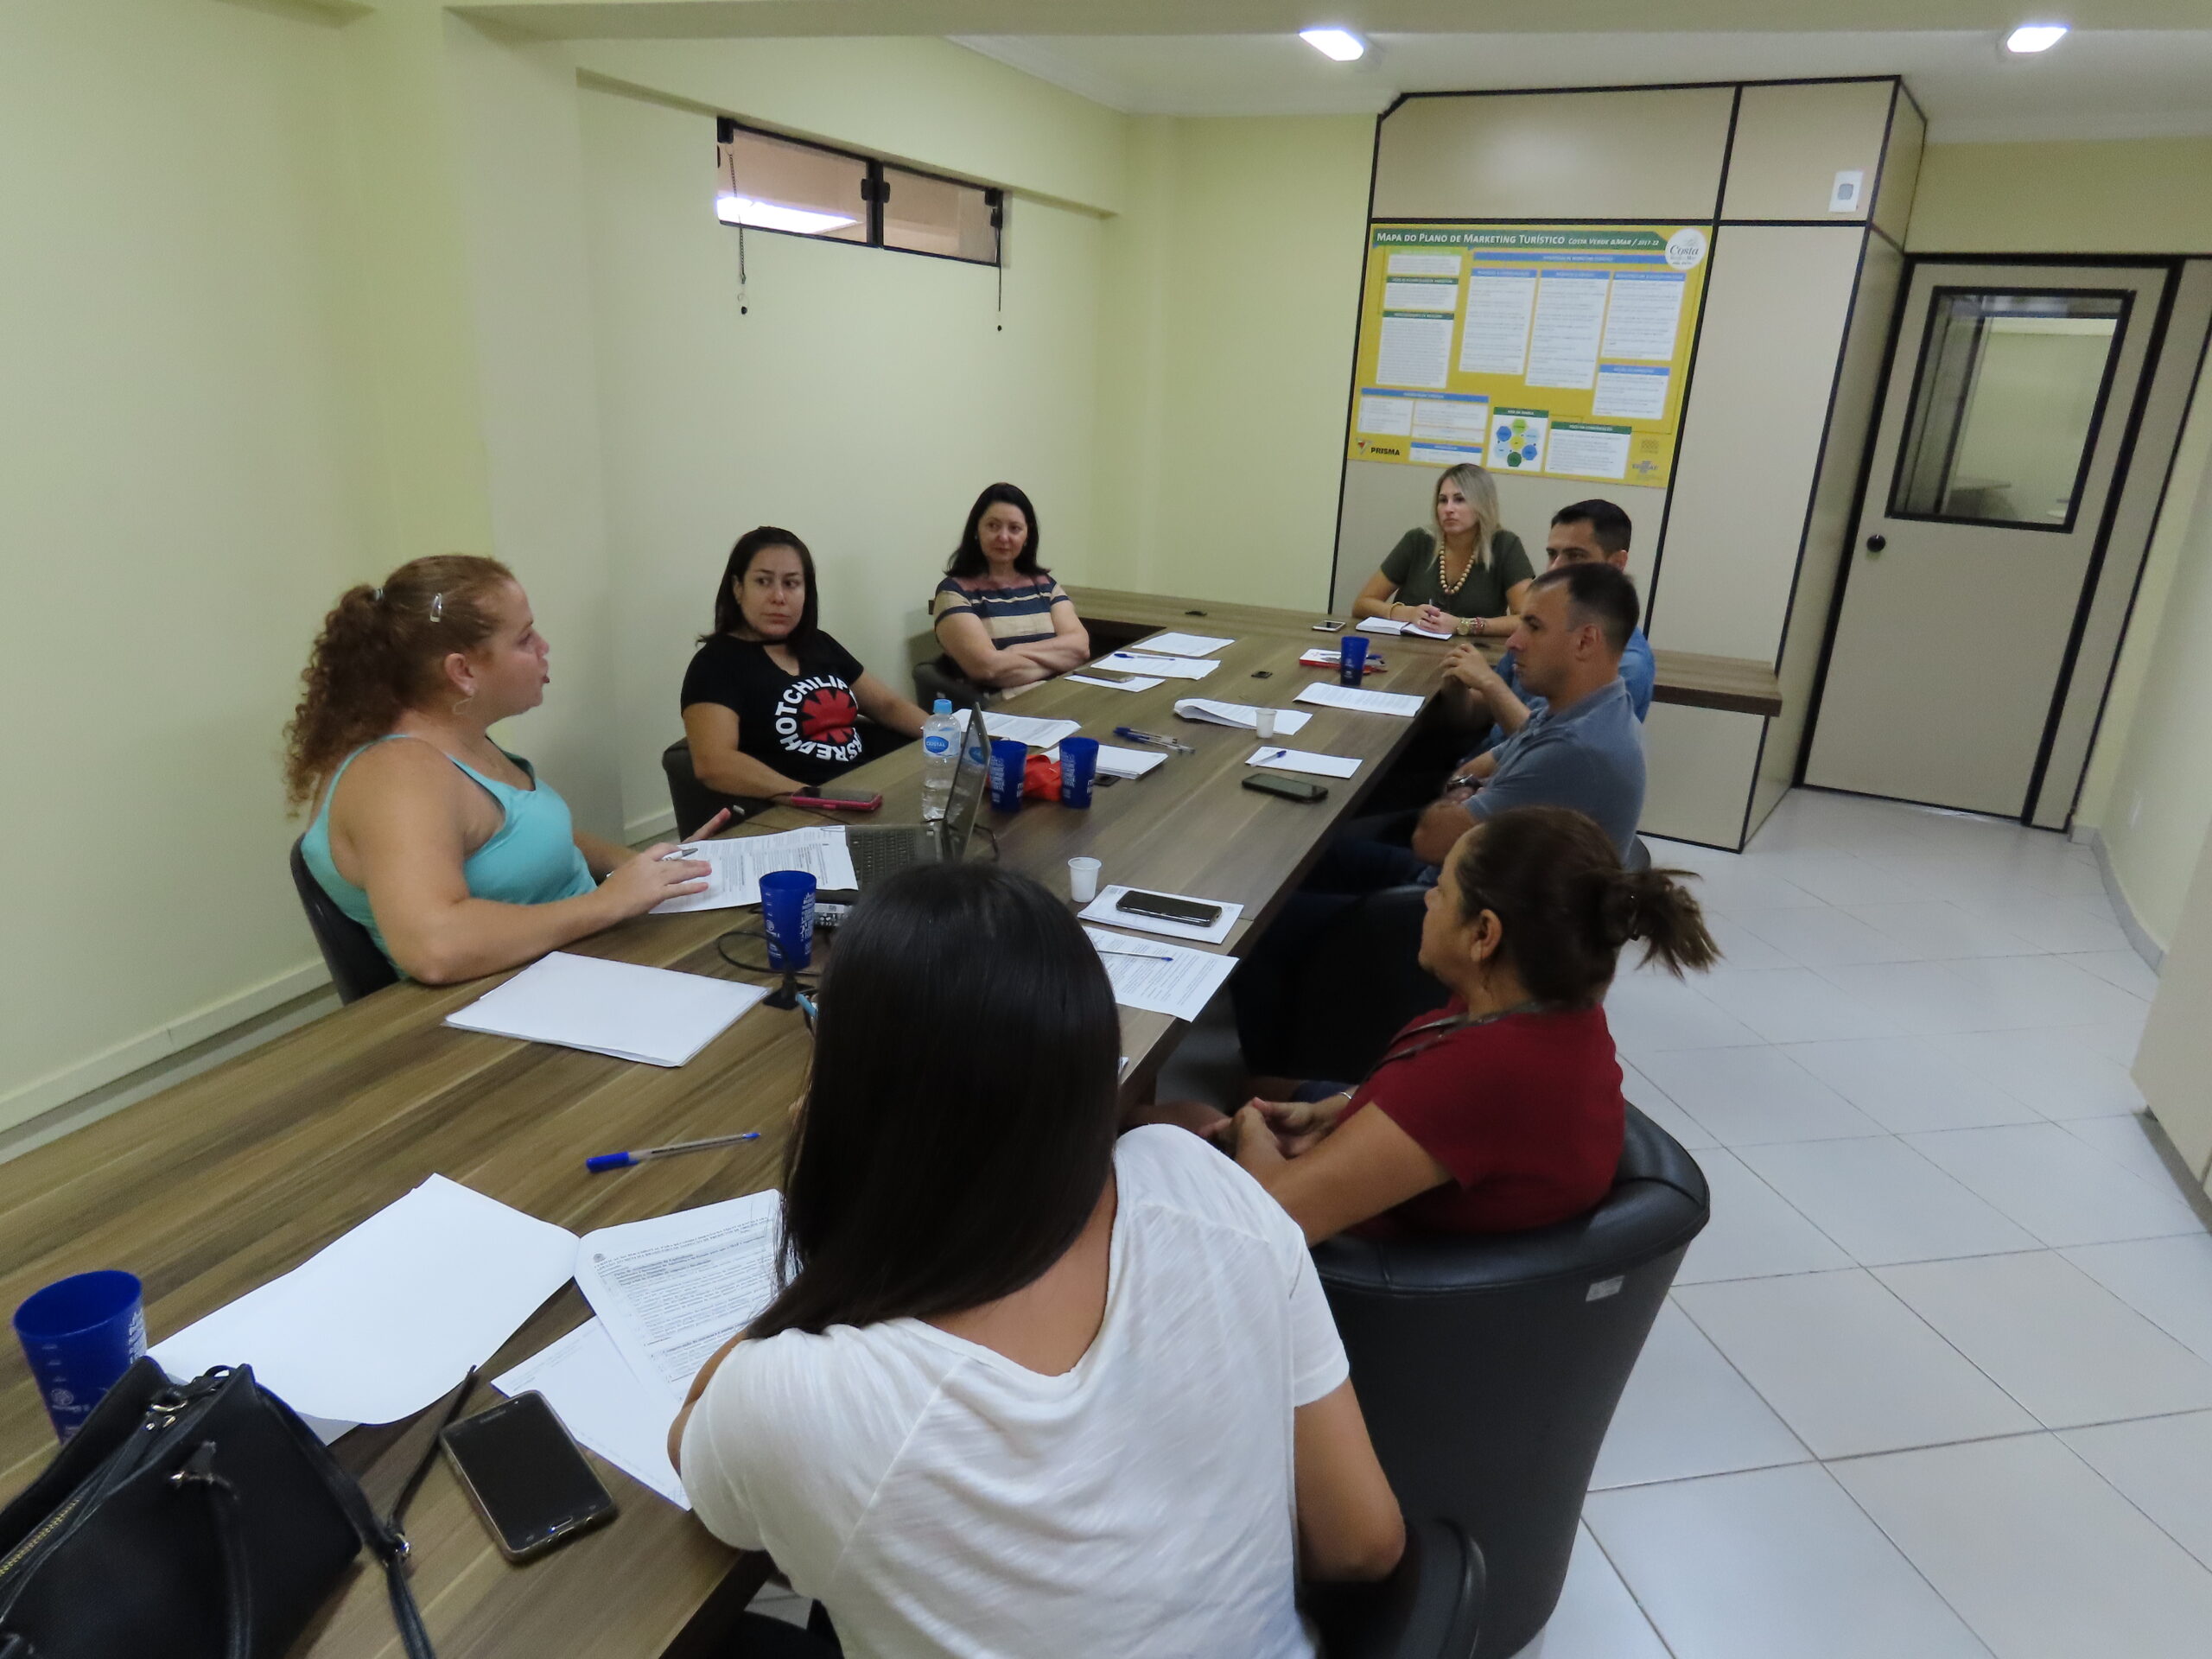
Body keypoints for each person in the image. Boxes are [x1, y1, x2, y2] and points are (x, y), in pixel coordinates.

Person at [670, 863, 1404, 1658]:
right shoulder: (1198, 1177)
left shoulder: (796, 1397)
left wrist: (846, 1228)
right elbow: (1364, 1541)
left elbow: (696, 1453)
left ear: (852, 1107)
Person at [1220, 808, 1716, 1242]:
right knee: (1252, 1090)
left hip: (1355, 1284)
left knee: (1166, 1125)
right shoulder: (1556, 1012)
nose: (1427, 901)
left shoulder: (1477, 1073)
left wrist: (1248, 1127)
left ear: (1483, 933)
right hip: (1431, 1220)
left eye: (1440, 889)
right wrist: (1341, 1109)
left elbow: (1274, 1218)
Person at [286, 556, 712, 984]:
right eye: (525, 639)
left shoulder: (460, 737)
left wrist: (646, 866)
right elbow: (434, 947)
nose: (544, 647)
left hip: (583, 965)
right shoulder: (398, 774)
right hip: (503, 1015)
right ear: (463, 671)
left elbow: (528, 835)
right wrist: (610, 902)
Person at [681, 527, 928, 805]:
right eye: (763, 582)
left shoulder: (819, 644)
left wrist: (950, 736)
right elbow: (714, 763)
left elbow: (887, 705)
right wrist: (813, 797)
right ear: (738, 589)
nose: (779, 597)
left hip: (867, 788)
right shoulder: (715, 664)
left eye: (791, 583)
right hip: (802, 810)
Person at [1445, 500, 1654, 748]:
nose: (1555, 568)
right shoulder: (1539, 629)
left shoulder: (1625, 665)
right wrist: (1456, 687)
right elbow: (1479, 714)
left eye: (1575, 556)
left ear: (1617, 564)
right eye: (1552, 555)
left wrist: (1490, 684)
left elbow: (1553, 751)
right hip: (1484, 766)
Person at [929, 483, 1090, 690]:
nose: (1003, 537)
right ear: (976, 530)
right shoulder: (953, 593)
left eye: (1014, 528)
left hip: (1058, 698)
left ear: (1027, 536)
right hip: (1002, 711)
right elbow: (987, 668)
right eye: (993, 526)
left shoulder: (1046, 586)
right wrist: (1058, 661)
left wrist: (1012, 653)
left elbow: (1080, 648)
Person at [1351, 463, 1534, 638]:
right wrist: (1406, 612)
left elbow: (1526, 620)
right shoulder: (1418, 541)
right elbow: (1362, 604)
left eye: (1459, 499)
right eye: (1442, 500)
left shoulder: (1505, 546)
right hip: (1408, 652)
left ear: (1482, 505)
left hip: (1473, 656)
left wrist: (1463, 625)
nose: (1448, 509)